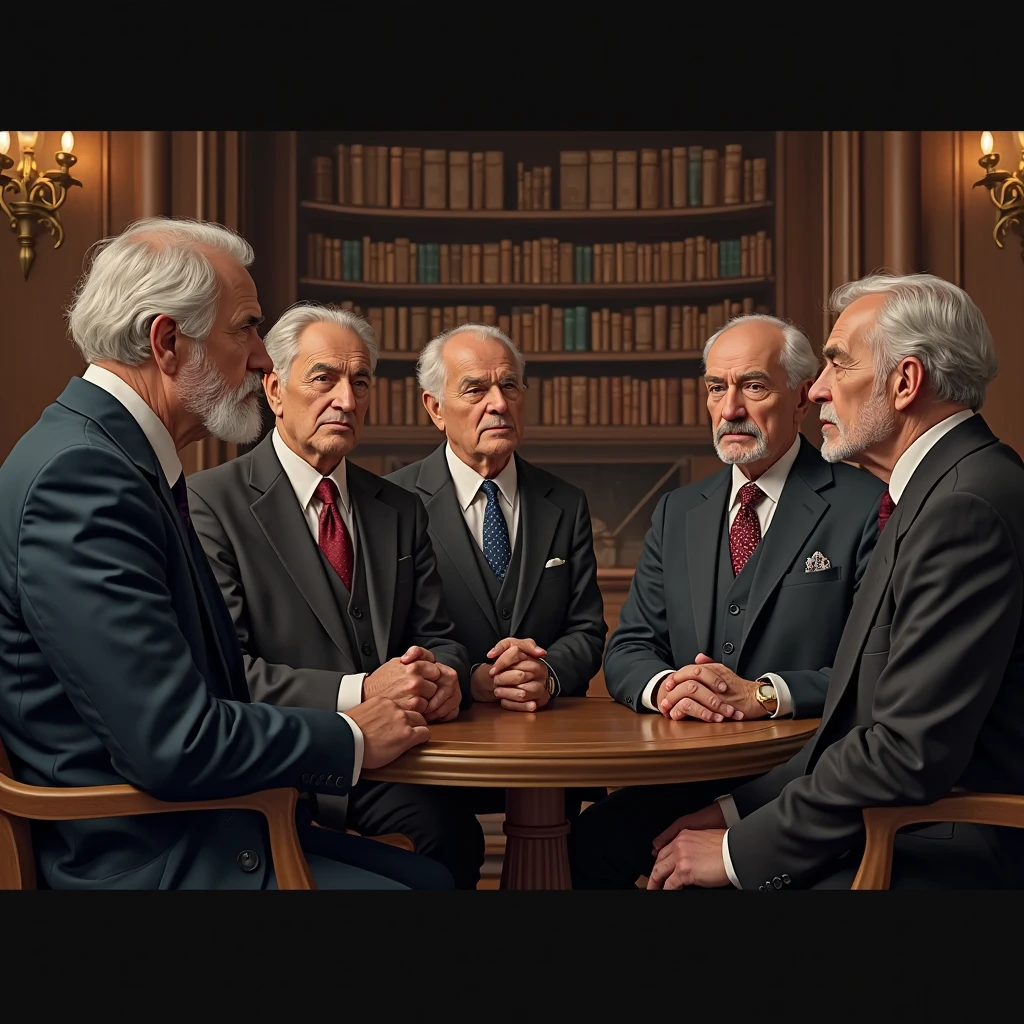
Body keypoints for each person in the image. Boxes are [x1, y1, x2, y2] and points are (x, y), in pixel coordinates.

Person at [0, 217, 452, 889]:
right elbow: (172, 742)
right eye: (245, 329)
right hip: (155, 856)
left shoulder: (115, 458)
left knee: (436, 876)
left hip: (210, 818)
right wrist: (351, 736)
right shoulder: (82, 478)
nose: (265, 359)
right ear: (166, 342)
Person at [647, 272, 1024, 891]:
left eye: (838, 365)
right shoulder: (941, 490)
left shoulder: (964, 508)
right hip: (901, 814)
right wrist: (735, 810)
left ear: (905, 383)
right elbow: (857, 723)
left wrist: (739, 852)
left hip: (944, 838)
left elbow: (905, 754)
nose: (817, 390)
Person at [569, 313, 886, 888]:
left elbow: (869, 674)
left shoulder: (868, 505)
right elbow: (632, 646)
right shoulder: (677, 511)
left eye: (754, 386)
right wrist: (666, 685)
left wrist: (765, 695)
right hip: (684, 775)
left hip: (803, 778)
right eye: (717, 387)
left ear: (802, 398)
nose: (731, 408)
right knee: (589, 846)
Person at [187, 302, 480, 887]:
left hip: (392, 771)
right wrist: (362, 691)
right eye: (324, 378)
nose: (346, 399)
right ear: (273, 389)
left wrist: (446, 676)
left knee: (455, 838)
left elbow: (440, 639)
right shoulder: (208, 503)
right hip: (275, 770)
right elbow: (227, 674)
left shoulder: (398, 508)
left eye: (360, 382)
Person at [386, 323, 608, 863]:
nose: (498, 404)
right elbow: (386, 637)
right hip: (438, 749)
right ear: (435, 408)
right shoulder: (391, 504)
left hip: (549, 745)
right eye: (476, 389)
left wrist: (548, 672)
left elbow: (587, 627)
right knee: (450, 853)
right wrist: (470, 680)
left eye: (509, 387)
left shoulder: (566, 501)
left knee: (574, 857)